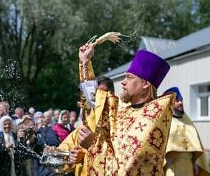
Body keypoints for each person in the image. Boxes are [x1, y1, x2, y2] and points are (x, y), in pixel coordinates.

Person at [69, 42, 174, 175]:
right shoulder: (124, 110)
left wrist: (93, 143)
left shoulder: (153, 116)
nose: (123, 82)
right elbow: (94, 101)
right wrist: (85, 62)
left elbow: (126, 163)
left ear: (145, 84)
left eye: (129, 78)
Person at [58, 76, 115, 176]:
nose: (99, 99)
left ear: (112, 96)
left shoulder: (120, 125)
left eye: (102, 93)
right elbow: (59, 159)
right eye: (95, 94)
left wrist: (93, 144)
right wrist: (71, 157)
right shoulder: (82, 130)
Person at [163, 87, 210, 176]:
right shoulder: (164, 121)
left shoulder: (187, 120)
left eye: (181, 100)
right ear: (169, 103)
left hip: (188, 167)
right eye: (177, 101)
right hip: (171, 168)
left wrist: (195, 163)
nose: (180, 103)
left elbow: (195, 145)